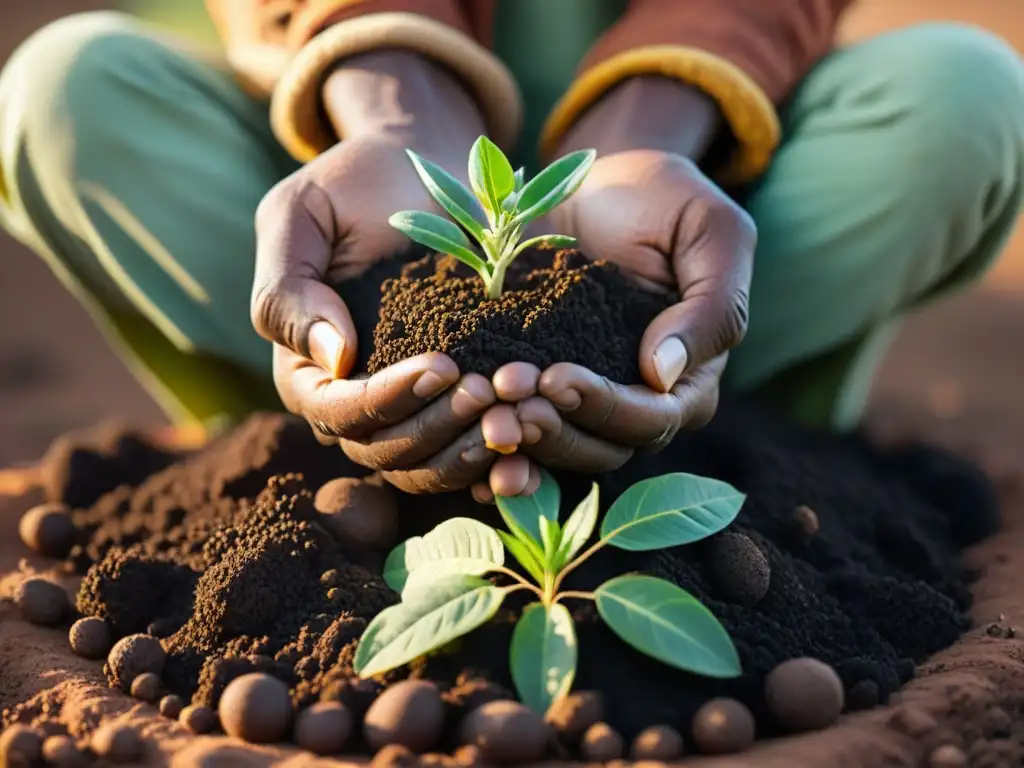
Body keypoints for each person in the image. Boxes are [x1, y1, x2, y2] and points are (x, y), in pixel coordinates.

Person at [0, 1, 1021, 503]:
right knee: (64, 93)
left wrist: (646, 133)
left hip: (690, 157)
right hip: (371, 146)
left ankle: (719, 411)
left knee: (963, 99)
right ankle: (317, 429)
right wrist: (393, 95)